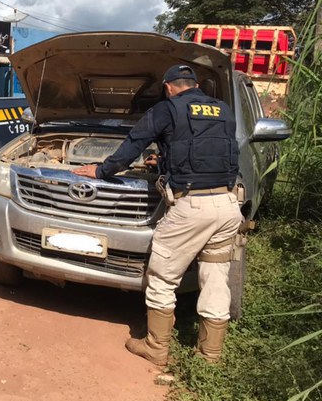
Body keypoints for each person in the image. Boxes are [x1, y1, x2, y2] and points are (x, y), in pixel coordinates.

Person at [73, 64, 242, 366]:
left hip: (191, 207)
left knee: (163, 276)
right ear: (196, 85)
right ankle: (210, 355)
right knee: (216, 277)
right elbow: (207, 152)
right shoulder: (223, 110)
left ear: (168, 87)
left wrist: (101, 170)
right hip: (228, 204)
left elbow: (133, 145)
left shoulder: (168, 108)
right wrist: (164, 161)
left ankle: (156, 347)